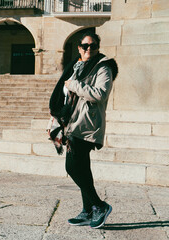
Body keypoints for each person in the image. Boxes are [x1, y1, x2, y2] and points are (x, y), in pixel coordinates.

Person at [48, 31, 118, 229]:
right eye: (85, 46)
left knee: (72, 167)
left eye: (93, 46)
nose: (89, 49)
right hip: (72, 122)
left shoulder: (103, 68)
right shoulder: (75, 67)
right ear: (79, 48)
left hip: (87, 125)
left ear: (97, 48)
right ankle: (88, 211)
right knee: (83, 169)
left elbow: (100, 94)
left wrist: (75, 85)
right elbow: (64, 95)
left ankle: (99, 205)